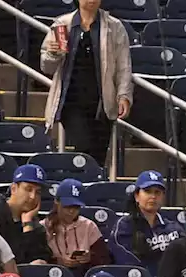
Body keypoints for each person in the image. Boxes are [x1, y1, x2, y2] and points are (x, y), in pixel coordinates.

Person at [40, 0, 132, 163]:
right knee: (83, 147)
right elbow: (46, 67)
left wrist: (123, 95)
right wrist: (53, 54)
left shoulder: (115, 27)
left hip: (101, 102)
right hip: (71, 100)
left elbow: (124, 66)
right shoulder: (62, 24)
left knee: (98, 157)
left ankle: (91, 185)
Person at [110, 171, 186, 270]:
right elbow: (125, 260)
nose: (153, 196)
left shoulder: (174, 229)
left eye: (157, 192)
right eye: (148, 191)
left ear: (163, 197)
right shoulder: (124, 226)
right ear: (136, 196)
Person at [0, 164, 52, 265]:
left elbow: (41, 257)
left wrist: (27, 225)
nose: (33, 196)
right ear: (13, 189)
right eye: (28, 189)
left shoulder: (35, 225)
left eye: (38, 192)